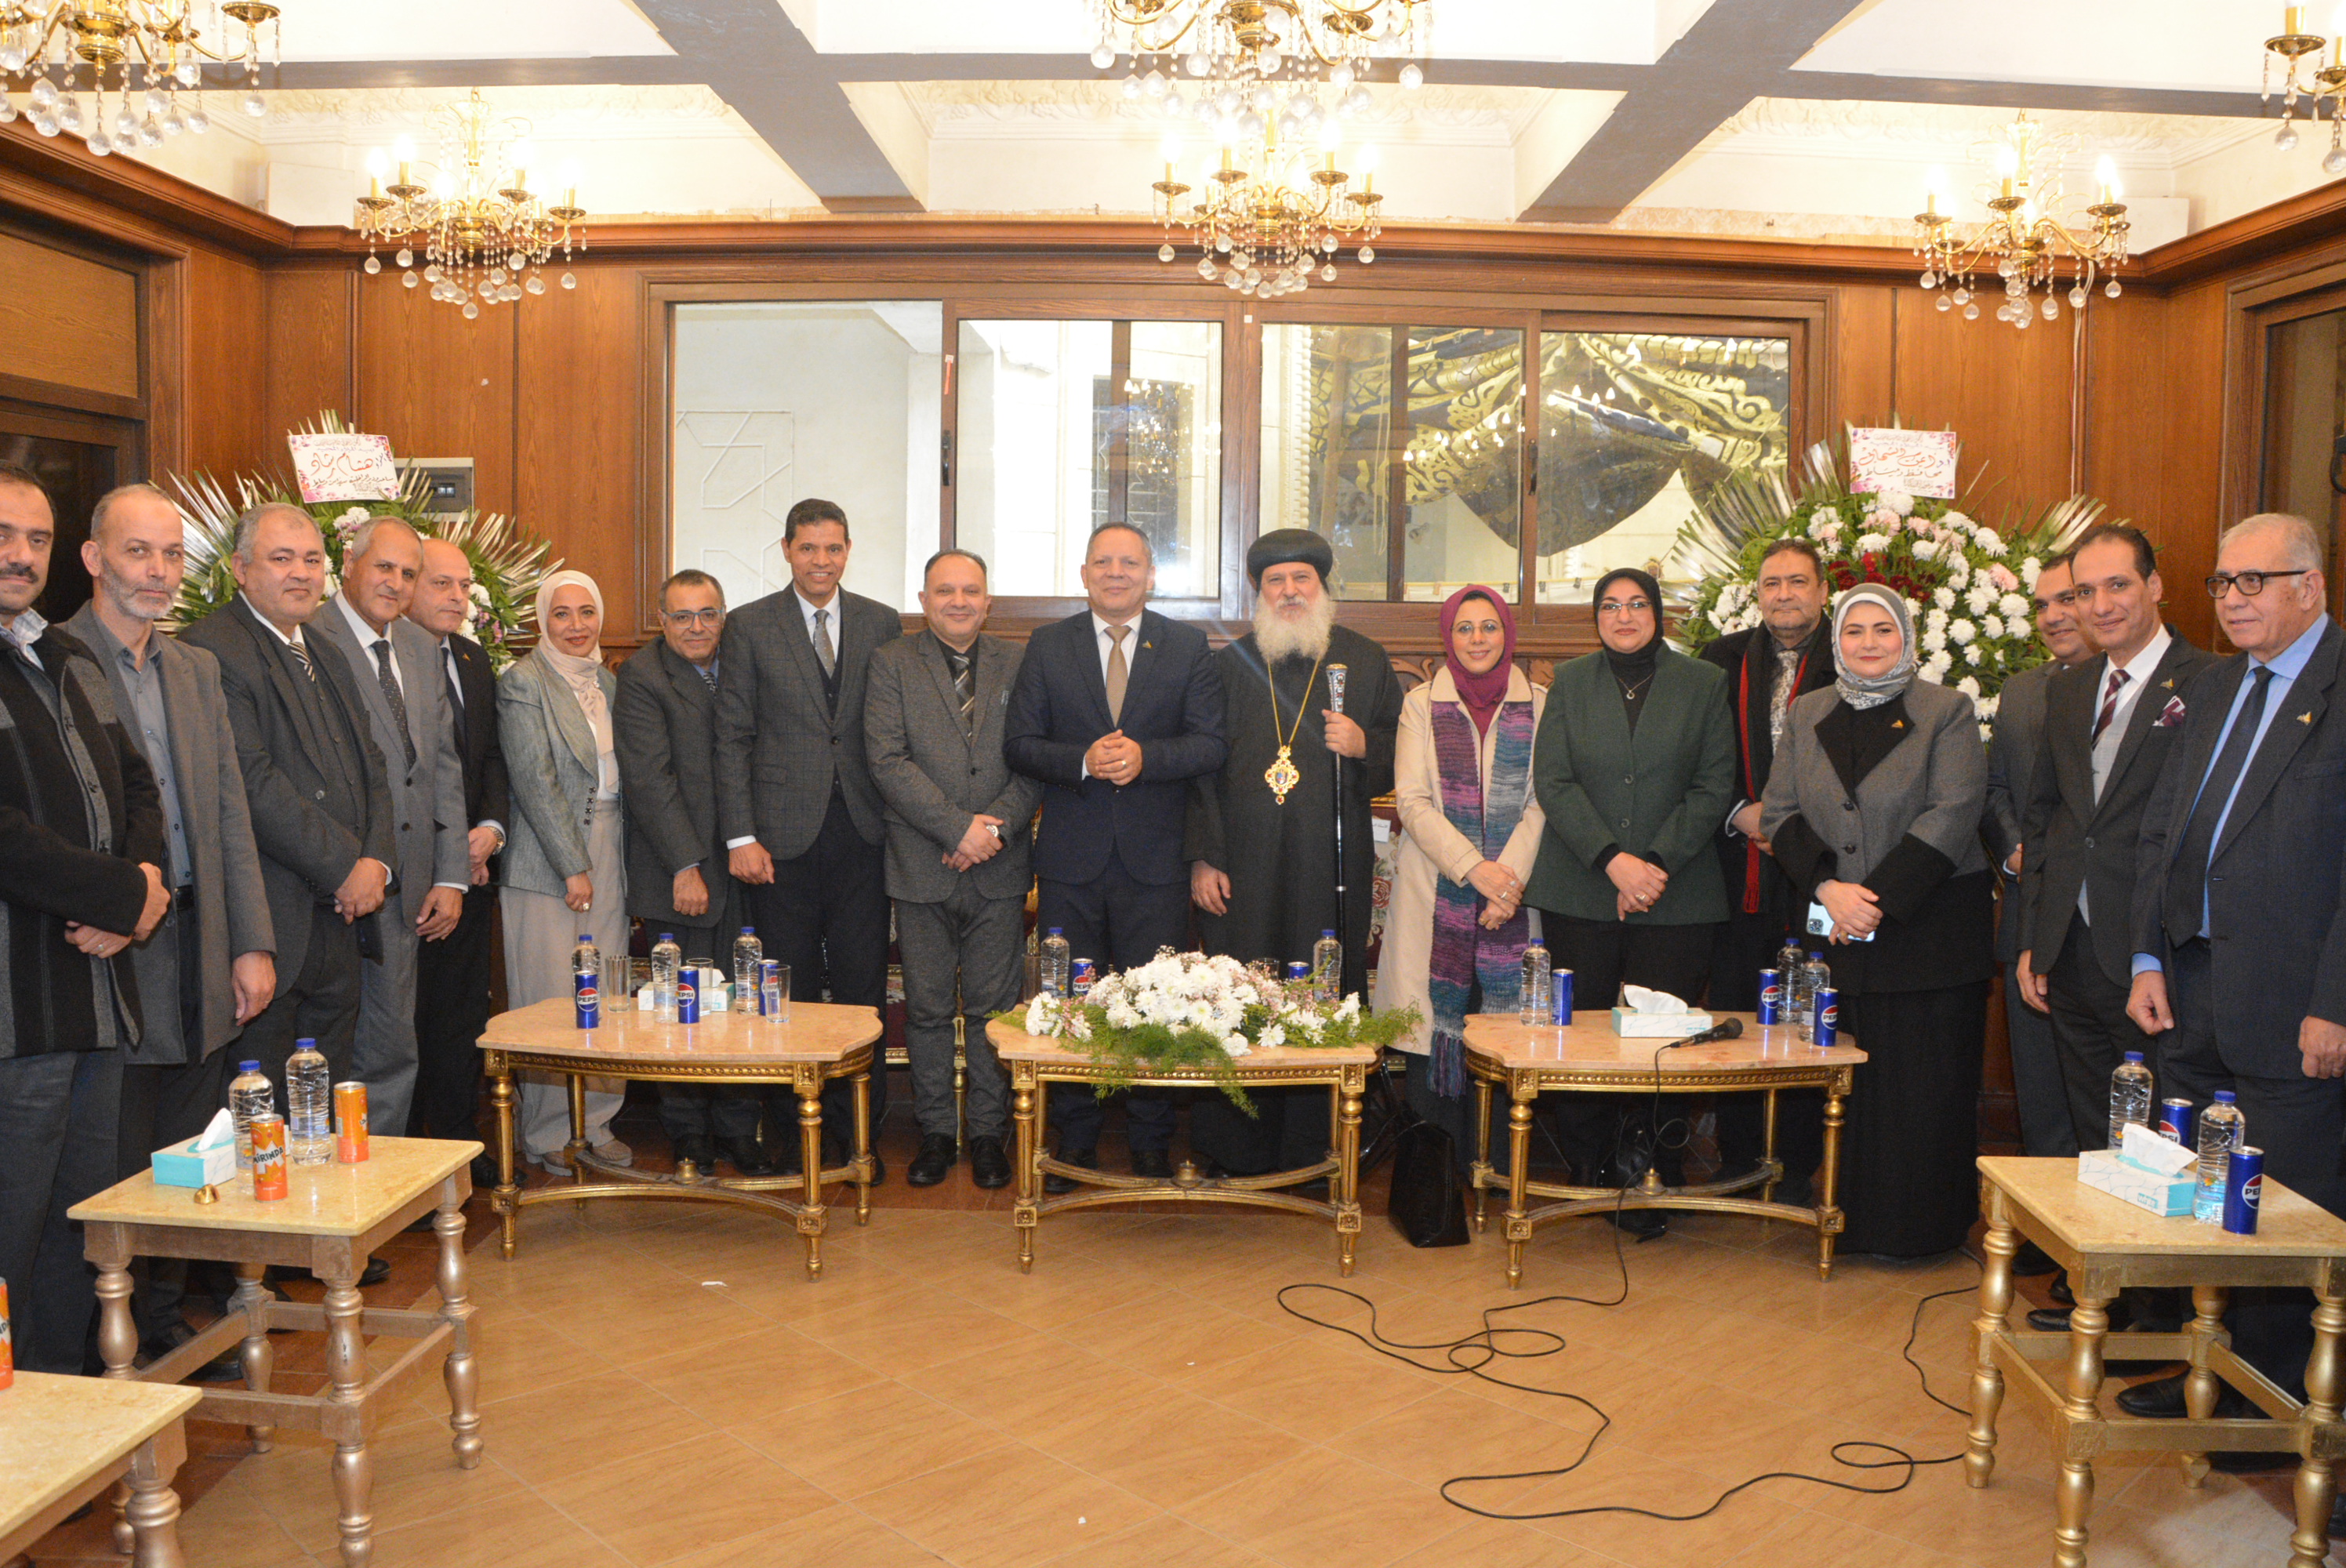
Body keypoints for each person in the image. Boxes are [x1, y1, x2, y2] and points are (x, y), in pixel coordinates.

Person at [2122, 513, 2346, 1460]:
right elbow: (2159, 830)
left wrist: (2336, 1001)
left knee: (2284, 1208)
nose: (2234, 599)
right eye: (2222, 582)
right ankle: (2207, 1368)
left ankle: (2274, 1404)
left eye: (2256, 580)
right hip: (2188, 985)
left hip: (2297, 1002)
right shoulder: (2210, 686)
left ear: (2311, 585)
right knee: (2200, 1198)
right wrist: (2144, 957)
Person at [65, 483, 274, 1371]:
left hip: (200, 938)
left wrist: (251, 938)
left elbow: (228, 813)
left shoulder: (195, 669)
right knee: (111, 1152)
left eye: (171, 554)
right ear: (94, 558)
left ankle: (158, 1319)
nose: (157, 571)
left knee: (190, 1143)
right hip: (111, 949)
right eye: (138, 551)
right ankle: (95, 1337)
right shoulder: (56, 659)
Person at [1760, 585, 1992, 1258]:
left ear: (1906, 638)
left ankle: (1922, 1231)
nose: (1868, 643)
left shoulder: (1946, 709)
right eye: (1854, 630)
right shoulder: (1807, 712)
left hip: (1926, 934)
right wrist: (1829, 888)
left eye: (1882, 630)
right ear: (1836, 641)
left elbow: (1954, 810)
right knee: (1850, 1086)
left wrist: (1875, 900)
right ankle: (1848, 1220)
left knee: (1922, 1088)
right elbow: (1778, 812)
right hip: (1838, 931)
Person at [0, 463, 168, 1374]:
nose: (21, 555)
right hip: (19, 1010)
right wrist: (119, 897)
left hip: (101, 998)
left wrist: (138, 891)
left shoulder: (66, 656)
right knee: (11, 1229)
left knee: (86, 1223)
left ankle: (77, 1406)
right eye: (3, 534)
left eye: (36, 538)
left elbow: (138, 785)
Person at [1004, 522, 1226, 1186]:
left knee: (1154, 1001)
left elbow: (1211, 744)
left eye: (1129, 563)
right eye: (1103, 562)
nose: (1116, 573)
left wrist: (1145, 758)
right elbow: (1020, 744)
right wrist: (1082, 759)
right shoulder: (1049, 645)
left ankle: (1150, 1142)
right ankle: (1075, 1141)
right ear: (1084, 574)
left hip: (1157, 863)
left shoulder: (1187, 646)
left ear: (1150, 575)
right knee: (1071, 1004)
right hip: (1070, 862)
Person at [1186, 528, 1400, 1177]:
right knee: (1240, 995)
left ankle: (1316, 1147)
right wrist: (1204, 857)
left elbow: (1404, 754)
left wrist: (1365, 747)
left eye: (1301, 578)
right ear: (1259, 593)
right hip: (1241, 869)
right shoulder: (1229, 665)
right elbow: (1200, 770)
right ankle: (1238, 1148)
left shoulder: (1363, 660)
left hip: (1328, 866)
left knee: (1319, 995)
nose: (1289, 592)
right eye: (1275, 581)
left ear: (1322, 587)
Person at [1523, 567, 1734, 1223]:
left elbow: (1714, 784)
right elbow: (1554, 780)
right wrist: (1614, 862)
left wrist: (1654, 867)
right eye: (1610, 606)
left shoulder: (1704, 682)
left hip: (1679, 891)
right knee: (1584, 1032)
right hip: (1582, 884)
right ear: (1596, 618)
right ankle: (1587, 1163)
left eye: (1637, 604)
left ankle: (1654, 1167)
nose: (1623, 616)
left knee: (1664, 1037)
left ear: (1658, 613)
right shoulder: (1570, 681)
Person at [180, 504, 394, 1113]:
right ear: (240, 568)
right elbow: (251, 782)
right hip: (269, 925)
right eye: (281, 559)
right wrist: (346, 866)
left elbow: (371, 765)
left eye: (311, 560)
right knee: (265, 1113)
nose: (300, 573)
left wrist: (377, 862)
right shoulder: (211, 650)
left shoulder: (324, 648)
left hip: (342, 924)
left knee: (325, 1108)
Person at [716, 499, 902, 1178]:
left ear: (848, 550)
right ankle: (793, 1139)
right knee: (781, 994)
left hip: (863, 834)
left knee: (860, 994)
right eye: (809, 548)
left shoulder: (882, 622)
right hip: (777, 843)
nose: (822, 561)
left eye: (834, 548)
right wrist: (740, 835)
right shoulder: (749, 625)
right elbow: (732, 737)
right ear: (787, 550)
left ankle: (858, 1137)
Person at [2019, 524, 2215, 1156]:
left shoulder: (2211, 682)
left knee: (2161, 1140)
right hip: (2069, 950)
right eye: (2084, 592)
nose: (2099, 605)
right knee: (2092, 1133)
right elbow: (2046, 818)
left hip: (2155, 954)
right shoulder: (2069, 687)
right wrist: (2035, 938)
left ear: (2154, 586)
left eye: (2117, 585)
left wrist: (2152, 950)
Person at [863, 548, 1039, 1190]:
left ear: (988, 602)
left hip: (999, 865)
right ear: (924, 600)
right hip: (920, 863)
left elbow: (1034, 759)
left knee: (995, 1011)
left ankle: (988, 1134)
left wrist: (990, 829)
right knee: (930, 1010)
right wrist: (955, 828)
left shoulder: (1020, 664)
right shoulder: (890, 663)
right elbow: (886, 760)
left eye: (970, 591)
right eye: (945, 591)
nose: (958, 601)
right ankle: (937, 1132)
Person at [1373, 585, 1545, 1167]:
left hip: (1513, 903)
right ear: (1448, 638)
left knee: (1502, 1037)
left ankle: (1495, 1170)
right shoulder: (1421, 703)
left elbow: (1543, 802)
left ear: (1507, 634)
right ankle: (1437, 1177)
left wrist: (1506, 882)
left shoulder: (1540, 704)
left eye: (1489, 626)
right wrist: (1477, 871)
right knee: (1432, 1033)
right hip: (1435, 894)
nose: (1477, 639)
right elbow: (1412, 800)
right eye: (1464, 628)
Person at [310, 517, 469, 1142]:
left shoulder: (421, 647)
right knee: (325, 1056)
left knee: (394, 1051)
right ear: (348, 563)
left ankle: (383, 1187)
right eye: (384, 567)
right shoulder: (308, 637)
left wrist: (450, 875)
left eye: (408, 573)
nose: (395, 583)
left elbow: (443, 770)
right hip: (334, 889)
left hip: (409, 892)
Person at [616, 568, 769, 1178]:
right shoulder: (643, 677)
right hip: (676, 870)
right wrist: (686, 865)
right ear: (662, 621)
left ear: (723, 615)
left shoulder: (741, 663)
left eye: (708, 614)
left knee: (738, 1001)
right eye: (682, 616)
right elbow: (650, 782)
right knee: (681, 1002)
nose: (697, 627)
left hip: (741, 868)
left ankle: (738, 1129)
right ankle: (688, 1133)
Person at [1699, 537, 1836, 1189]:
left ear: (1823, 591)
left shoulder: (1852, 655)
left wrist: (1795, 830)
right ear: (1757, 594)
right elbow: (1697, 755)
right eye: (1772, 584)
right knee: (1738, 1011)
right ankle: (1738, 1158)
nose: (1784, 595)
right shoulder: (1720, 661)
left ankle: (1804, 1164)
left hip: (1826, 870)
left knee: (1812, 1018)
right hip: (1737, 869)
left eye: (1798, 582)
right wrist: (1741, 812)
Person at [498, 571, 630, 1171]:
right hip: (547, 857)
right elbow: (534, 780)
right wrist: (573, 865)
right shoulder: (523, 682)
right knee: (550, 995)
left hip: (611, 843)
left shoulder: (607, 681)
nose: (576, 625)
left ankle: (597, 1121)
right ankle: (549, 1132)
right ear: (542, 620)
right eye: (561, 613)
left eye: (586, 612)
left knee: (605, 989)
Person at [405, 538, 510, 1185]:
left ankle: (457, 1151)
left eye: (465, 586)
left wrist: (490, 831)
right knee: (408, 1023)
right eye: (441, 583)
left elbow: (490, 757)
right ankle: (409, 1161)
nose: (456, 597)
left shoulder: (471, 658)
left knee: (461, 1018)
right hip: (412, 877)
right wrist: (447, 851)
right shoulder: (387, 658)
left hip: (475, 874)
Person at [1983, 552, 2092, 1169]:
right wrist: (2013, 851)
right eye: (2042, 604)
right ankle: (2044, 1207)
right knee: (2041, 1092)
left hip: (2105, 927)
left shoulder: (2150, 692)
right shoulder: (2022, 692)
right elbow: (1996, 789)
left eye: (2067, 598)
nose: (2053, 616)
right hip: (2030, 916)